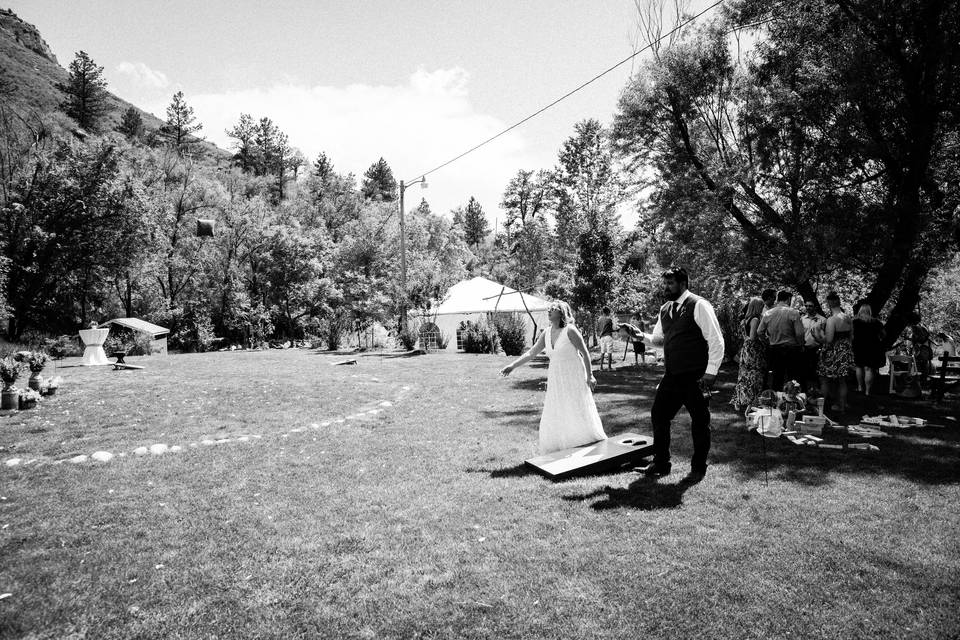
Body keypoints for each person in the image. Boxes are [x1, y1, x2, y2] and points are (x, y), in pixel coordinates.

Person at [637, 267, 724, 479]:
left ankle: (698, 468)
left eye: (670, 284)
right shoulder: (665, 309)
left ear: (683, 284)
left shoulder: (699, 305)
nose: (665, 288)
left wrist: (710, 375)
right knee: (659, 415)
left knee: (700, 422)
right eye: (664, 283)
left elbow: (716, 340)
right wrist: (639, 336)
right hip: (672, 375)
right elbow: (660, 341)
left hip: (696, 376)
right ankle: (661, 463)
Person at [499, 300, 606, 454]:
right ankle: (562, 442)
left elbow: (585, 353)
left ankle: (585, 438)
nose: (549, 311)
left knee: (576, 405)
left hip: (574, 373)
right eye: (549, 309)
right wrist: (512, 366)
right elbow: (531, 353)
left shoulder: (571, 330)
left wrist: (590, 376)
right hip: (556, 375)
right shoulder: (546, 332)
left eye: (553, 309)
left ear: (561, 313)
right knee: (558, 407)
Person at [757, 290, 805, 392]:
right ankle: (792, 400)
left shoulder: (768, 313)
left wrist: (768, 342)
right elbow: (800, 334)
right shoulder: (794, 313)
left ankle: (776, 401)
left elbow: (760, 331)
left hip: (775, 349)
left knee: (777, 377)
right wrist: (801, 345)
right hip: (792, 349)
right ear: (788, 299)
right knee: (792, 376)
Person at [818, 291, 855, 412]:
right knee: (842, 381)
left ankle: (820, 408)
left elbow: (828, 340)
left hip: (833, 352)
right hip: (845, 351)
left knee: (824, 379)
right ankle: (842, 406)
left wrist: (818, 336)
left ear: (829, 304)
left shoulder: (832, 320)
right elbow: (851, 338)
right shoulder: (848, 318)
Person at [732, 297, 767, 410]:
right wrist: (764, 339)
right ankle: (752, 401)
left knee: (743, 375)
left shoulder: (744, 320)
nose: (762, 308)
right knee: (755, 375)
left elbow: (745, 337)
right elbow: (752, 337)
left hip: (745, 348)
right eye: (761, 306)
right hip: (753, 350)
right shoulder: (755, 319)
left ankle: (739, 400)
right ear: (757, 307)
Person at [852, 302, 886, 395]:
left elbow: (850, 335)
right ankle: (867, 391)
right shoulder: (876, 322)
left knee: (858, 367)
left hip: (858, 346)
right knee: (868, 368)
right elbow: (883, 335)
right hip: (872, 347)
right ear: (869, 311)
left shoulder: (854, 322)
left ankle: (859, 387)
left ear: (860, 311)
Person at [800, 300, 826, 393]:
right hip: (804, 348)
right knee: (804, 371)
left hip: (817, 348)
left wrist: (821, 347)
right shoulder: (802, 319)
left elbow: (825, 335)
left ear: (815, 307)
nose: (808, 308)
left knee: (817, 372)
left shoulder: (822, 320)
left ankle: (818, 391)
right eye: (806, 306)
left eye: (810, 306)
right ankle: (804, 391)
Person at [596, 306, 615, 371]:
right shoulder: (609, 319)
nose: (609, 313)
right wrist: (616, 330)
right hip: (608, 336)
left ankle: (601, 367)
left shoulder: (599, 319)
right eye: (609, 312)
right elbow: (611, 329)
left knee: (602, 352)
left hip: (602, 337)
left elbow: (598, 329)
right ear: (607, 312)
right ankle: (609, 368)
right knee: (609, 352)